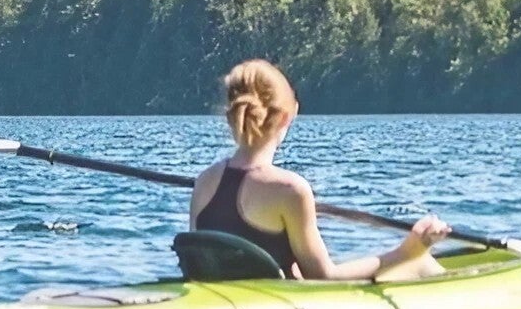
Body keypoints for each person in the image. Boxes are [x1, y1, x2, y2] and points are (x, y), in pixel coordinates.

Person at [190, 59, 450, 281]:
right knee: (420, 264)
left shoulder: (205, 181)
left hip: (228, 301)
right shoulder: (290, 190)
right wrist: (409, 250)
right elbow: (323, 276)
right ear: (287, 117)